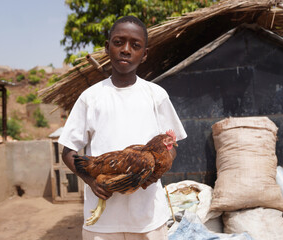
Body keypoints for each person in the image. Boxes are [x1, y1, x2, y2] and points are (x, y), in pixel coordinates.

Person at [58, 15, 187, 240]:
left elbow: (171, 145)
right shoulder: (90, 98)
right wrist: (90, 181)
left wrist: (156, 170)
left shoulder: (156, 95)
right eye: (119, 42)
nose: (126, 49)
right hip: (103, 221)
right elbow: (68, 151)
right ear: (108, 48)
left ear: (144, 54)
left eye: (135, 45)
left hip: (148, 218)